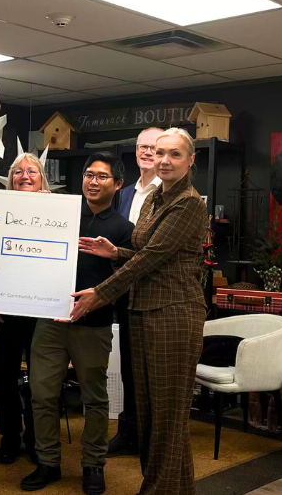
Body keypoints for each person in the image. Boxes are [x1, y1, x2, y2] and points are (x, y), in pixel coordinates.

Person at [71, 128, 208, 495]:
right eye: (159, 153)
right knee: (148, 412)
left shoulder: (189, 203)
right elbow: (149, 254)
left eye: (174, 154)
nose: (164, 160)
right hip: (143, 310)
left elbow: (152, 258)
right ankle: (174, 488)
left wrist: (100, 293)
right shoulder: (152, 200)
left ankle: (159, 489)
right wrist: (116, 252)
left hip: (174, 313)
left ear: (190, 160)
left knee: (167, 415)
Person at [22, 152, 133, 494]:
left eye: (102, 176)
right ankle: (48, 462)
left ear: (118, 184)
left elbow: (130, 279)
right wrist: (38, 207)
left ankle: (93, 465)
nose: (93, 181)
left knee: (94, 398)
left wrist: (113, 256)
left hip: (93, 326)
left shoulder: (125, 230)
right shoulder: (62, 213)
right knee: (42, 394)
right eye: (88, 175)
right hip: (50, 321)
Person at [0, 151, 50, 465]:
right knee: (5, 378)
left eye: (31, 171)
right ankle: (10, 436)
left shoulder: (57, 213)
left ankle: (37, 439)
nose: (24, 175)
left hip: (41, 311)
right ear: (10, 179)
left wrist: (51, 212)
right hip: (2, 308)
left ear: (42, 178)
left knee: (41, 381)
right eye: (18, 171)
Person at [110, 127, 163, 457]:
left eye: (154, 147)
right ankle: (128, 432)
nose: (147, 152)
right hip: (123, 291)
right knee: (128, 368)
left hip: (155, 294)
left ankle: (151, 439)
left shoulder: (170, 194)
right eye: (142, 146)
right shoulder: (124, 193)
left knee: (151, 371)